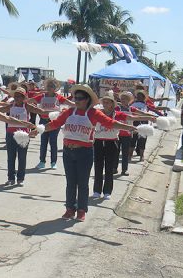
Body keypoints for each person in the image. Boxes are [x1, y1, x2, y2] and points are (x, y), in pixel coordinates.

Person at [31, 84, 136, 222]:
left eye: (80, 98)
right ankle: (70, 209)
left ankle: (81, 210)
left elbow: (110, 123)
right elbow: (55, 124)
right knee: (70, 182)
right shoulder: (69, 112)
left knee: (82, 182)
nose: (76, 100)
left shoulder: (94, 113)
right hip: (68, 151)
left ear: (87, 100)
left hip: (84, 152)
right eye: (75, 98)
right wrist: (39, 130)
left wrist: (130, 127)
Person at [94, 91, 155, 199]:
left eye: (108, 102)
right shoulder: (98, 113)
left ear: (112, 104)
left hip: (111, 142)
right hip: (98, 142)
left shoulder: (117, 114)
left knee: (109, 168)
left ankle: (107, 192)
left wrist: (149, 117)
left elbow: (133, 118)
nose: (105, 104)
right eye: (104, 102)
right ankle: (96, 191)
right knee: (98, 167)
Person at [0, 87, 47, 186]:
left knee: (22, 157)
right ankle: (11, 178)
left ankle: (20, 178)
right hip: (10, 134)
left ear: (24, 97)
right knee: (11, 157)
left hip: (24, 135)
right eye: (15, 96)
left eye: (20, 96)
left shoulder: (27, 106)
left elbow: (41, 111)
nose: (17, 98)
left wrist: (57, 113)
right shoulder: (10, 106)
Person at [30, 78, 71, 169]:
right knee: (43, 142)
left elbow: (70, 103)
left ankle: (53, 162)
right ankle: (42, 161)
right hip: (43, 121)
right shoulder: (41, 96)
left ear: (55, 88)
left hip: (55, 122)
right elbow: (30, 101)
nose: (50, 88)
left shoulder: (58, 97)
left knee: (53, 142)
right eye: (48, 86)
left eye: (52, 86)